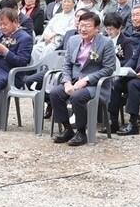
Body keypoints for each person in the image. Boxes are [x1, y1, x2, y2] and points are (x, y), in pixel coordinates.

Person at [49, 10, 117, 146]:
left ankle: (81, 132)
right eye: (81, 25)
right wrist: (67, 82)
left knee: (77, 96)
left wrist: (86, 80)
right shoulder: (73, 40)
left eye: (87, 26)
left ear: (97, 28)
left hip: (95, 84)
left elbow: (109, 69)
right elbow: (67, 64)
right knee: (55, 93)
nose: (83, 29)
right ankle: (68, 129)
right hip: (74, 80)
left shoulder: (106, 43)